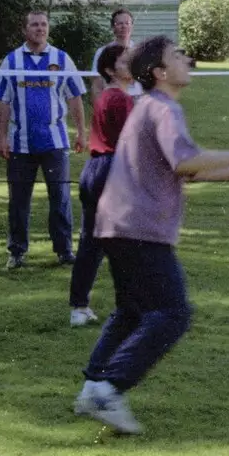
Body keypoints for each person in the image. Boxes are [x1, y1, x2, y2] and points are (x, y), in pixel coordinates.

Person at [73, 36, 229, 435]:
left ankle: (94, 386)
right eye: (177, 56)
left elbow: (191, 170)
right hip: (139, 228)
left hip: (117, 224)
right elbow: (186, 162)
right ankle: (108, 388)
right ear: (159, 72)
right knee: (172, 313)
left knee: (131, 313)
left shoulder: (151, 108)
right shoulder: (162, 109)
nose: (187, 59)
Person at [0, 10, 86, 270]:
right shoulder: (11, 62)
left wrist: (81, 131)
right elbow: (2, 102)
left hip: (55, 142)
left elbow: (75, 97)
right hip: (20, 143)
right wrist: (1, 138)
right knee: (19, 200)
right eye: (34, 25)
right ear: (25, 29)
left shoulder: (61, 59)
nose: (40, 29)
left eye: (44, 24)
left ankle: (64, 250)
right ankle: (17, 252)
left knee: (61, 197)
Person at [68, 42, 138, 327]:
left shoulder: (110, 97)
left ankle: (79, 307)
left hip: (94, 170)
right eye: (125, 62)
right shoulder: (120, 100)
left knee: (92, 244)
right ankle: (131, 307)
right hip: (110, 170)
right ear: (110, 70)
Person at [90, 9, 138, 99]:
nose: (123, 26)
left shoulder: (140, 51)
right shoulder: (102, 52)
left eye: (127, 23)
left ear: (132, 26)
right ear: (113, 27)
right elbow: (96, 84)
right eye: (119, 23)